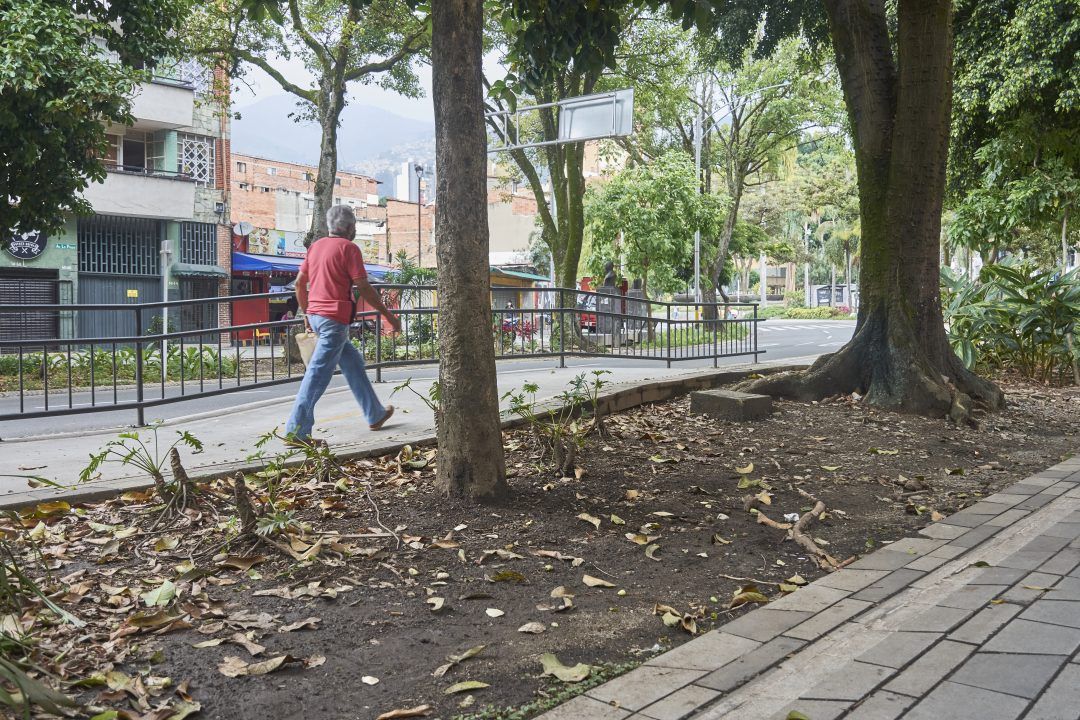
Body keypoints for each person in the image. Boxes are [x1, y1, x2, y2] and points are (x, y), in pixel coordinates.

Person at [285, 205, 400, 448]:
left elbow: (298, 284)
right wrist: (388, 314)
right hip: (334, 319)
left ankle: (375, 413)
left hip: (317, 316)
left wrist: (307, 314)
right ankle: (296, 430)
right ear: (349, 228)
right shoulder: (349, 249)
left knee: (353, 362)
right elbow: (364, 287)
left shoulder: (316, 247)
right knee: (317, 374)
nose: (355, 229)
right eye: (355, 226)